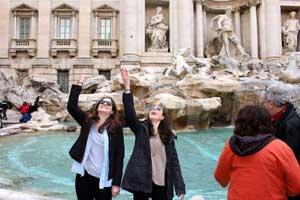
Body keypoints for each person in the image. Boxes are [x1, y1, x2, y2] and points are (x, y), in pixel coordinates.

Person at [120, 67, 185, 200]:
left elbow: (174, 162)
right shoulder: (141, 129)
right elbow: (130, 113)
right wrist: (127, 86)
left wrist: (179, 187)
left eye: (158, 109)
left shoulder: (169, 136)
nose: (154, 109)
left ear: (162, 117)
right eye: (152, 109)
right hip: (142, 181)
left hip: (162, 183)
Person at [215, 105, 300, 200]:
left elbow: (221, 179)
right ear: (269, 123)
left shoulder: (231, 146)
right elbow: (296, 187)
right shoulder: (280, 148)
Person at [67, 75, 124, 200]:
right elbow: (71, 106)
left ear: (112, 111)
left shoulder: (116, 129)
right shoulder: (88, 121)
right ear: (97, 106)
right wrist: (79, 83)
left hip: (104, 179)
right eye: (102, 102)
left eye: (108, 103)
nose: (104, 104)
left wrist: (116, 184)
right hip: (84, 175)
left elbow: (119, 157)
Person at [261, 83, 300, 200]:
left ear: (271, 104)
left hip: (291, 184)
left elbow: (291, 156)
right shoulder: (285, 115)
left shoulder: (289, 125)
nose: (263, 105)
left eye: (264, 102)